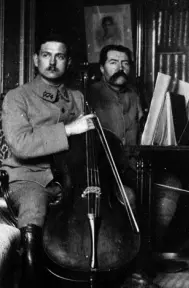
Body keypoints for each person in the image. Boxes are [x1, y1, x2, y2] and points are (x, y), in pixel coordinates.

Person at [87, 44, 187, 288]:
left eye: (125, 63)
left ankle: (147, 255)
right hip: (103, 171)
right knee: (129, 196)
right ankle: (130, 266)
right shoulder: (89, 94)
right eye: (113, 62)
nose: (120, 68)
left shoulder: (134, 95)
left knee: (171, 186)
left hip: (133, 167)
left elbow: (143, 133)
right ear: (102, 67)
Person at [1, 33, 95, 287]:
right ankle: (31, 275)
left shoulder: (77, 97)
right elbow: (20, 144)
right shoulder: (17, 96)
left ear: (68, 62)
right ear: (35, 59)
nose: (52, 62)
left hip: (69, 178)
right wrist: (68, 129)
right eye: (46, 55)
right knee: (34, 201)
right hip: (27, 177)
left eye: (60, 56)